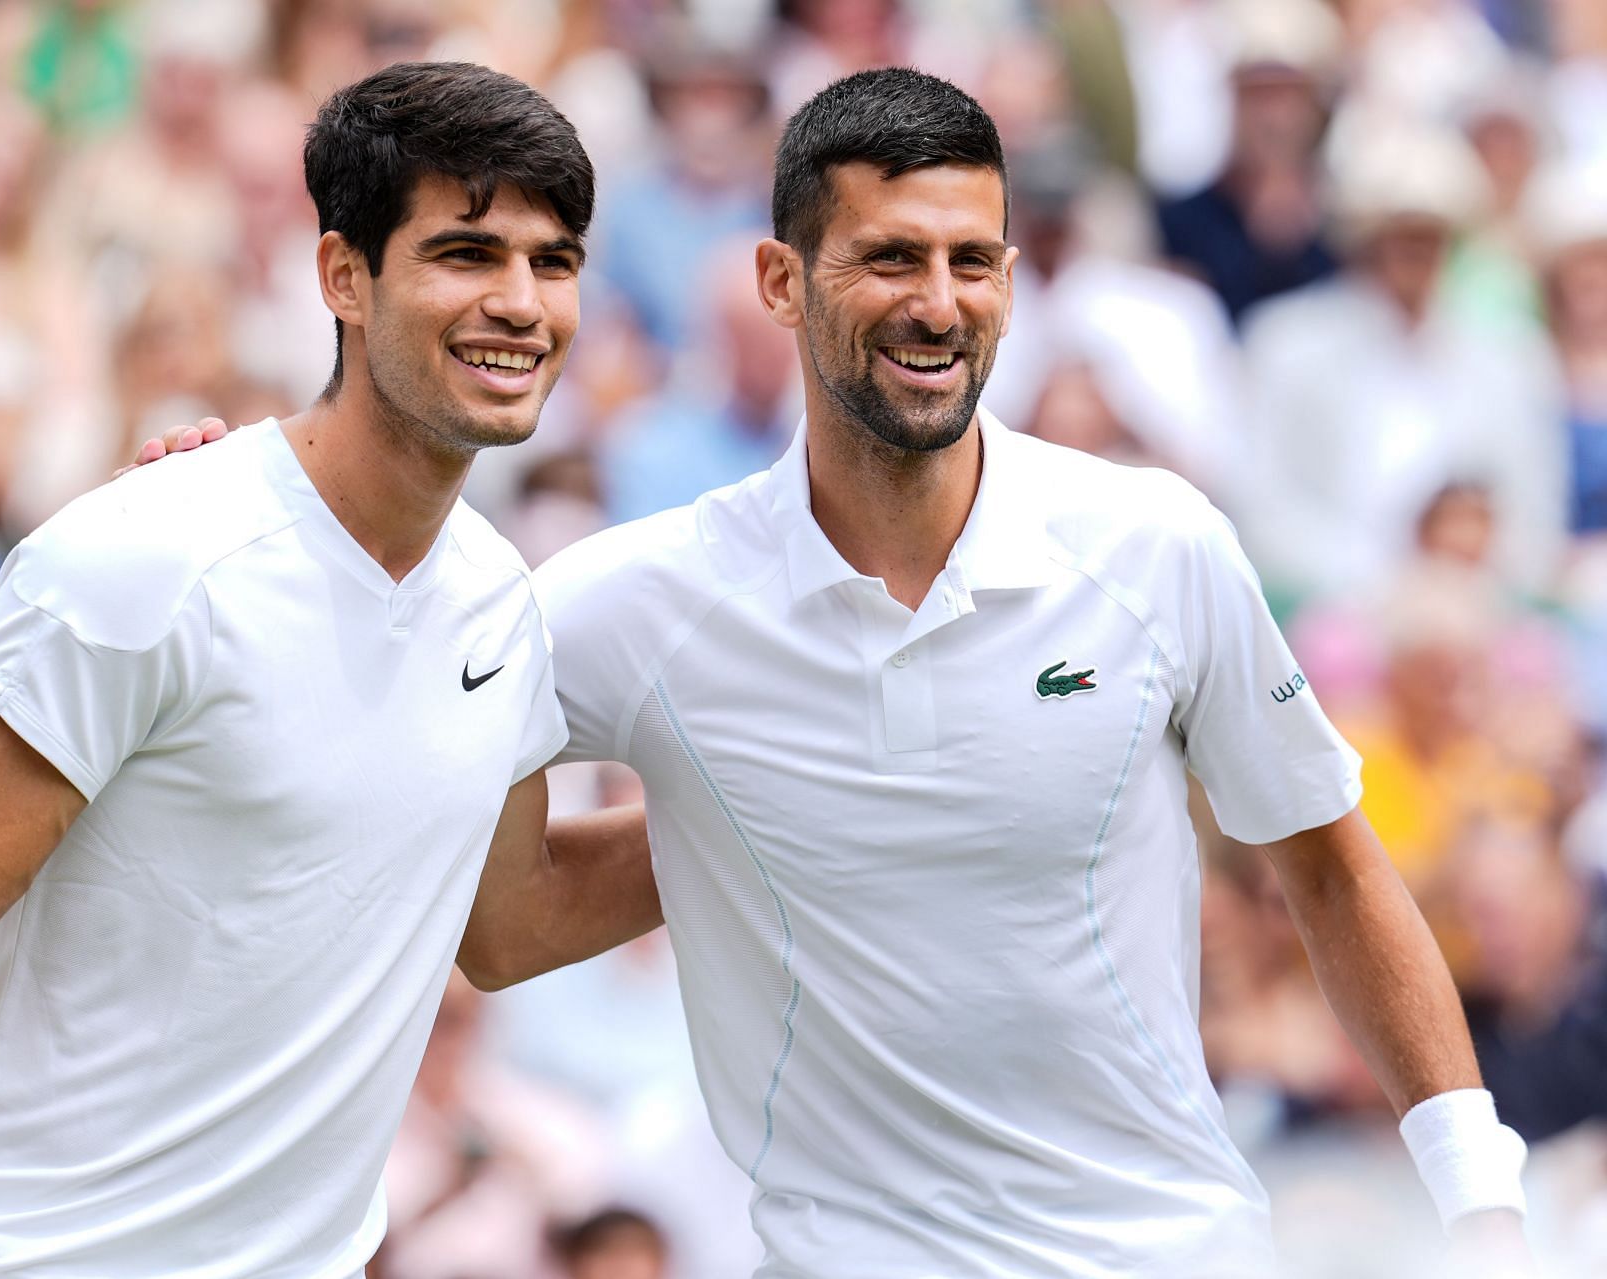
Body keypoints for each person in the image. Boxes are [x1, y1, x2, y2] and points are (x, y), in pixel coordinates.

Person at [140, 68, 1534, 1279]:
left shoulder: (1157, 541)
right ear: (780, 280)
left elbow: (1335, 871)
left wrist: (1482, 1197)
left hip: (1171, 1250)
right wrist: (254, 522)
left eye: (973, 260)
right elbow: (497, 921)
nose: (940, 304)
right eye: (891, 258)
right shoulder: (635, 603)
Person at [0, 62, 651, 1279]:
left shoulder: (499, 607)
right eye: (466, 253)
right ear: (342, 276)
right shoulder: (146, 551)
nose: (521, 302)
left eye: (552, 261)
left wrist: (782, 804)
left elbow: (507, 922)